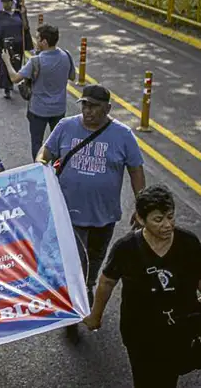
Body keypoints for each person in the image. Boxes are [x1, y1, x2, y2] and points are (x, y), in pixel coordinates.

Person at [83, 185, 201, 387]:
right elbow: (107, 282)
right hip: (139, 333)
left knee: (167, 378)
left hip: (179, 330)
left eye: (170, 217)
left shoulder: (188, 243)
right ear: (140, 219)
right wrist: (96, 315)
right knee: (145, 379)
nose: (167, 225)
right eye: (158, 219)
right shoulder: (126, 248)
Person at [38, 84, 146, 306]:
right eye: (85, 105)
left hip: (104, 214)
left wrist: (141, 206)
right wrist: (40, 164)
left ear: (107, 108)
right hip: (69, 212)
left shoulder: (123, 135)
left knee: (95, 257)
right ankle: (74, 299)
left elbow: (136, 170)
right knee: (75, 260)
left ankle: (87, 285)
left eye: (94, 106)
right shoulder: (66, 126)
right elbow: (46, 151)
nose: (88, 110)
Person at [0, 24, 76, 158]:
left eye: (38, 39)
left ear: (44, 42)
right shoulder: (66, 55)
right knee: (57, 141)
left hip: (38, 110)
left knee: (37, 142)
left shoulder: (36, 61)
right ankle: (57, 168)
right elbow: (72, 76)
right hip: (59, 109)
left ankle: (39, 168)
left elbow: (14, 78)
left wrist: (6, 61)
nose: (36, 42)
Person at [0, 0, 27, 99]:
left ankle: (13, 81)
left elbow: (25, 27)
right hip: (4, 44)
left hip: (18, 43)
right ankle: (7, 87)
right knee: (4, 65)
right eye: (4, 2)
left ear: (12, 2)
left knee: (16, 64)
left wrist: (24, 14)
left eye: (9, 1)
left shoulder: (18, 14)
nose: (7, 3)